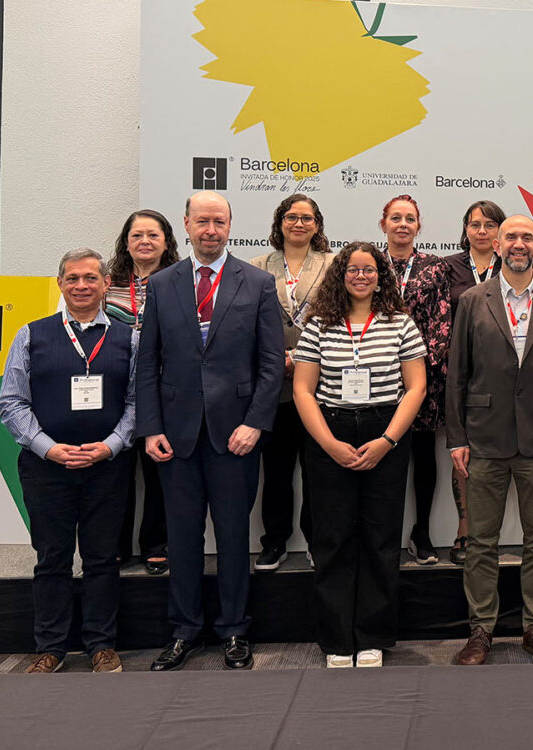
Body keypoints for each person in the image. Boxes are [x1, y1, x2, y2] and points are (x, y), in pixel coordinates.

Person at [137, 191, 285, 671]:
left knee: (234, 536)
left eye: (218, 222)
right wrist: (150, 427)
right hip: (175, 435)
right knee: (181, 538)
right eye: (202, 221)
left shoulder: (259, 282)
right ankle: (183, 630)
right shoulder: (162, 284)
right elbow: (147, 365)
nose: (210, 230)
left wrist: (256, 424)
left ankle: (235, 630)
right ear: (186, 224)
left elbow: (270, 365)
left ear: (229, 225)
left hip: (235, 435)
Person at [448, 215, 533, 666]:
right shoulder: (471, 299)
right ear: (497, 245)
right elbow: (457, 376)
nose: (518, 243)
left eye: (527, 237)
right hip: (484, 437)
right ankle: (480, 630)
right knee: (481, 541)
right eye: (511, 237)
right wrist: (456, 438)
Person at [0, 248, 137, 673]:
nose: (81, 286)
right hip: (46, 468)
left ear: (104, 284)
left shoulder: (129, 337)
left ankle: (101, 645)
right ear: (60, 283)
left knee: (101, 558)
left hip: (107, 467)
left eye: (90, 279)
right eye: (72, 278)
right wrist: (49, 448)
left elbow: (137, 402)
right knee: (52, 558)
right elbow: (12, 403)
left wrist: (112, 444)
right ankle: (51, 647)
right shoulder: (30, 335)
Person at [292, 242, 426, 668]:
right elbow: (302, 390)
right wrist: (329, 443)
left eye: (370, 269)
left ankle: (372, 636)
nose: (362, 276)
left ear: (381, 276)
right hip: (329, 432)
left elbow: (416, 388)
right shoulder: (318, 325)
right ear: (341, 274)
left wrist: (386, 440)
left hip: (385, 432)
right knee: (332, 537)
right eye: (353, 269)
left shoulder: (400, 324)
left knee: (380, 538)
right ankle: (336, 639)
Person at [249, 193, 332, 572]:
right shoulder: (256, 267)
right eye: (291, 217)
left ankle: (318, 540)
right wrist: (275, 359)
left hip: (320, 383)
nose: (299, 224)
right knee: (277, 470)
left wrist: (302, 358)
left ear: (317, 225)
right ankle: (275, 542)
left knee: (318, 469)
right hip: (273, 383)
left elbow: (339, 318)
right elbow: (245, 326)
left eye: (307, 218)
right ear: (279, 222)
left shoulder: (333, 266)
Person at [106, 209, 179, 575]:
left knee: (158, 471)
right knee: (116, 472)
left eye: (153, 235)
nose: (145, 242)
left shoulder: (180, 281)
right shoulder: (108, 281)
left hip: (162, 389)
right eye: (137, 236)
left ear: (167, 241)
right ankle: (115, 546)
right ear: (126, 242)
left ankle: (155, 544)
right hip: (115, 390)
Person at [381, 194, 451, 566]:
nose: (403, 224)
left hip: (422, 379)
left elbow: (442, 322)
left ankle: (421, 531)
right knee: (387, 457)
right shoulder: (369, 264)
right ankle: (385, 535)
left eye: (410, 218)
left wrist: (420, 369)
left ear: (418, 226)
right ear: (384, 225)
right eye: (396, 218)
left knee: (424, 457)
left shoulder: (434, 267)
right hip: (376, 377)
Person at [442, 200, 506, 564]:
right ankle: (465, 530)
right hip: (463, 374)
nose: (482, 231)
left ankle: (494, 536)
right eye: (474, 224)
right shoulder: (447, 268)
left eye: (489, 225)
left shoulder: (514, 265)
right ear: (465, 229)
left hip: (508, 375)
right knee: (462, 452)